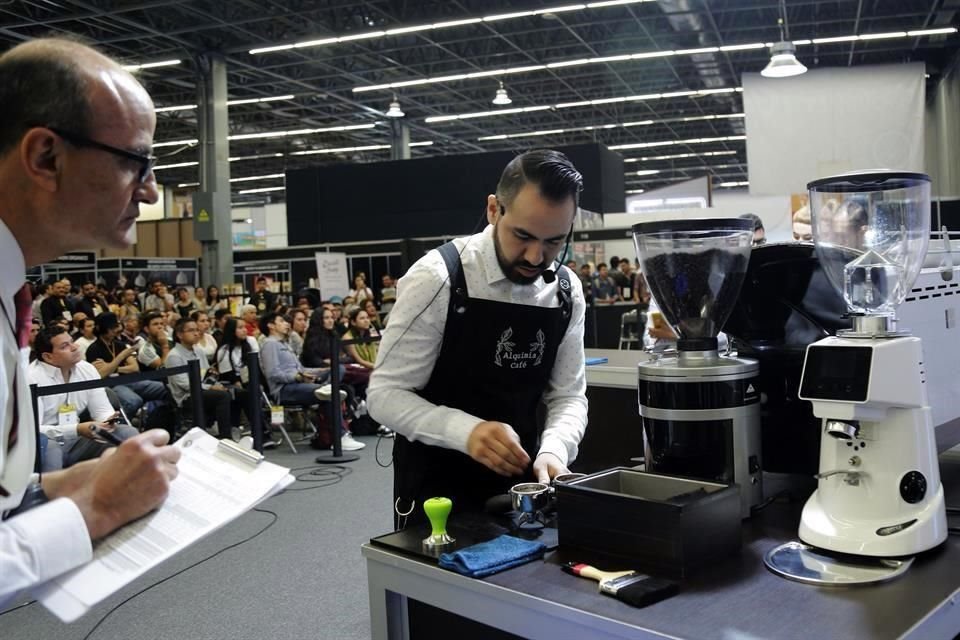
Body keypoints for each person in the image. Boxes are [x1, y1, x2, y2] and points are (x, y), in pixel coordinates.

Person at [0, 37, 180, 607]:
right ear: (46, 157)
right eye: (136, 161)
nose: (150, 191)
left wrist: (49, 489)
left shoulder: (11, 291)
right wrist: (95, 508)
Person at [368, 149, 588, 526]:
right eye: (523, 235)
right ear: (493, 210)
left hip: (525, 492)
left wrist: (555, 449)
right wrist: (466, 431)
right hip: (437, 494)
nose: (536, 257)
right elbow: (384, 396)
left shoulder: (566, 290)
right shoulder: (438, 278)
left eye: (554, 241)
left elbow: (568, 396)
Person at [29, 327, 139, 470]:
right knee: (51, 448)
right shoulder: (31, 378)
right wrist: (76, 429)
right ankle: (52, 491)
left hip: (77, 443)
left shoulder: (86, 369)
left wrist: (108, 421)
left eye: (72, 342)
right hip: (45, 446)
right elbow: (32, 431)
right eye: (65, 346)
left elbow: (102, 410)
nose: (75, 347)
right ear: (48, 357)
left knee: (127, 433)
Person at [259, 311, 364, 451]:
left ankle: (327, 389)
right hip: (285, 390)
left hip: (300, 384)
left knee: (338, 369)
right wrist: (297, 377)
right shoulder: (270, 344)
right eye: (281, 321)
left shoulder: (285, 344)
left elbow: (302, 369)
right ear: (271, 325)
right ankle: (341, 435)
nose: (286, 324)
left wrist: (321, 370)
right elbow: (272, 374)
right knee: (330, 394)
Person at [164, 317, 235, 440]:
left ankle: (249, 431)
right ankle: (226, 438)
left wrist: (214, 381)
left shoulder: (198, 351)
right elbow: (185, 385)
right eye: (191, 331)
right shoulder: (174, 356)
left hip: (203, 389)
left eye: (197, 330)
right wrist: (211, 387)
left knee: (237, 392)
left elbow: (205, 374)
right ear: (180, 334)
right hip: (187, 397)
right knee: (222, 396)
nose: (196, 333)